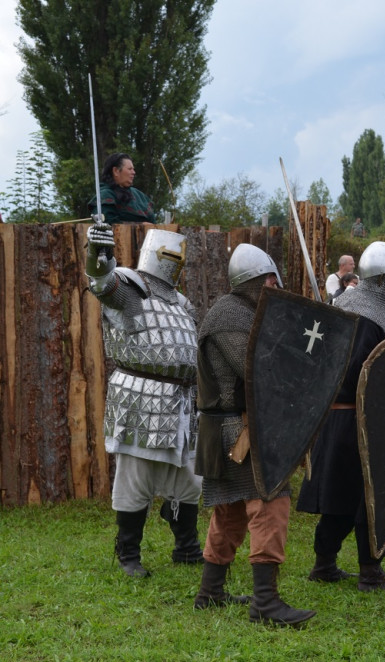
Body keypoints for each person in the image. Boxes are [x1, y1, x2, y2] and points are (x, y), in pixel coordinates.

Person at [193, 244, 315, 627]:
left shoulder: (244, 313)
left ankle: (210, 592)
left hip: (231, 428)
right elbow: (257, 370)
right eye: (272, 280)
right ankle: (265, 602)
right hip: (236, 429)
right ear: (260, 280)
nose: (276, 286)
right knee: (270, 502)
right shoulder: (230, 316)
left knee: (230, 511)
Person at [84, 224, 203, 577]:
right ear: (155, 253)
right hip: (140, 397)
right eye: (170, 255)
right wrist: (98, 256)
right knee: (135, 478)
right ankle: (128, 554)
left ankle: (186, 547)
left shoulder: (181, 303)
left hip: (182, 403)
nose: (175, 261)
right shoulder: (132, 288)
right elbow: (103, 284)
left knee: (188, 479)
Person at [298, 241, 385, 592]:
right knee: (369, 498)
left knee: (343, 498)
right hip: (359, 420)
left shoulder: (354, 306)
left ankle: (325, 564)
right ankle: (371, 571)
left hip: (349, 421)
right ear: (382, 280)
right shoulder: (366, 316)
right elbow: (360, 372)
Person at [88, 153, 156, 224]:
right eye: (130, 169)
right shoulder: (104, 195)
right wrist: (140, 226)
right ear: (116, 171)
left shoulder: (141, 196)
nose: (133, 172)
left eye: (133, 169)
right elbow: (109, 224)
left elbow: (153, 223)